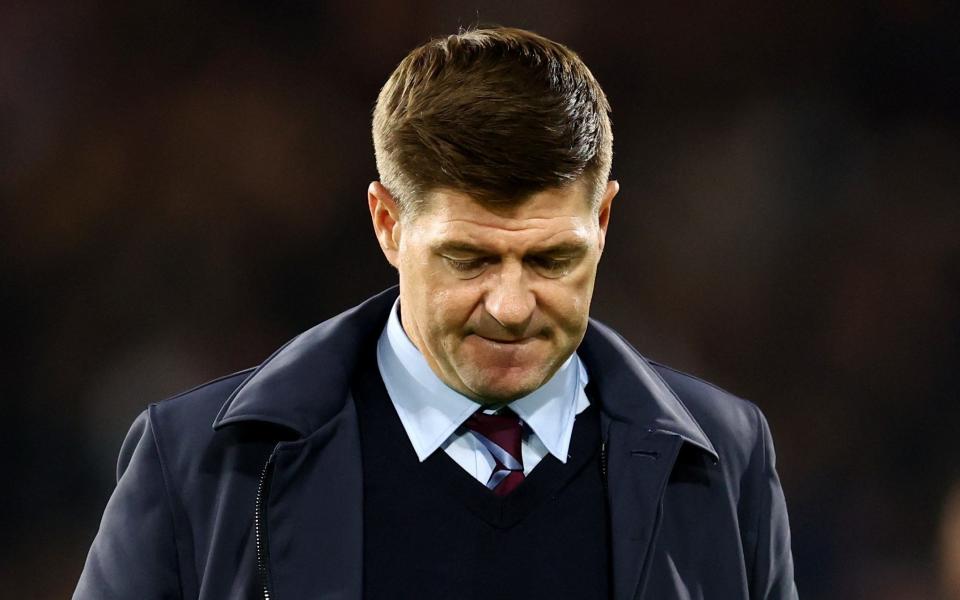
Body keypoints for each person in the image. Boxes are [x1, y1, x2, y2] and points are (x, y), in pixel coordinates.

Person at [74, 27, 798, 599]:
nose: (512, 308)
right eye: (469, 259)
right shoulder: (200, 467)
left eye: (551, 260)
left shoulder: (725, 463)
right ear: (388, 224)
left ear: (603, 220)